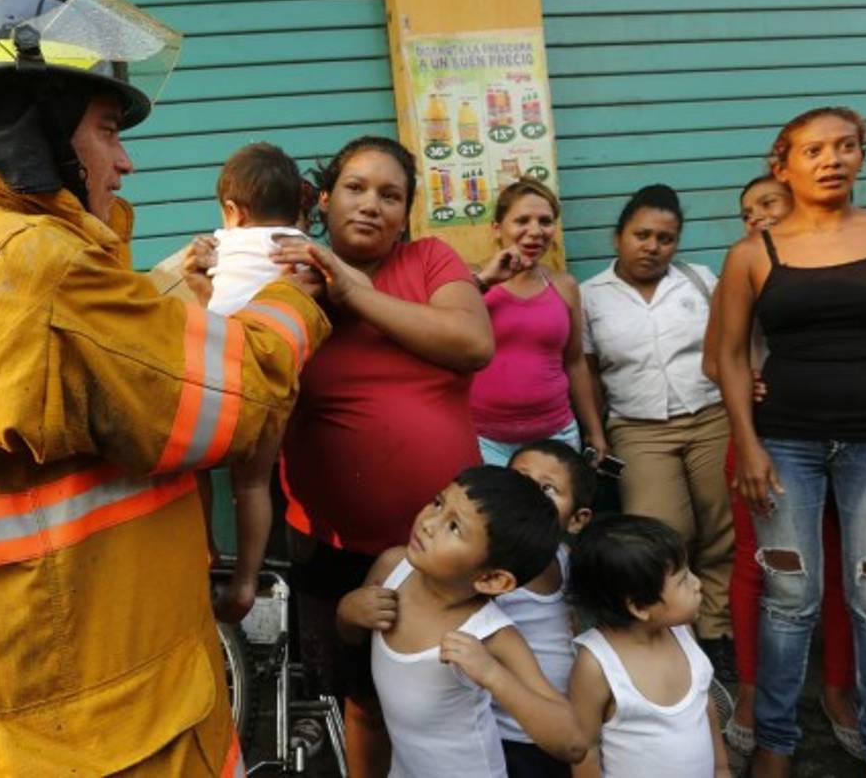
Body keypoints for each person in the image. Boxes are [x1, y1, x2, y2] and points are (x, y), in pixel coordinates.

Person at [0, 0, 329, 775]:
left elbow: (93, 373)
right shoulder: (41, 266)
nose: (124, 161)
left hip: (79, 693)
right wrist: (296, 297)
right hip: (108, 721)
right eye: (108, 130)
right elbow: (237, 406)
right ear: (38, 125)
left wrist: (165, 295)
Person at [716, 107, 866, 777]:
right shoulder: (750, 253)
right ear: (783, 165)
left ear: (861, 156)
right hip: (784, 448)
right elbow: (728, 358)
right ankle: (775, 742)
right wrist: (749, 440)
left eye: (846, 146)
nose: (832, 159)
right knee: (789, 600)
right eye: (815, 149)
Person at [253, 135, 493, 775]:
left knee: (455, 684)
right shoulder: (287, 277)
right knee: (365, 699)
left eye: (391, 195)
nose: (372, 205)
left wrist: (355, 292)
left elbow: (472, 341)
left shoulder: (429, 260)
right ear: (324, 199)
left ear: (407, 214)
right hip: (336, 544)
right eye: (356, 188)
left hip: (448, 541)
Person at [703, 176, 866, 760]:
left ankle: (837, 690)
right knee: (757, 565)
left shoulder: (850, 258)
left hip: (849, 439)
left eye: (767, 204)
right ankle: (749, 692)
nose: (756, 218)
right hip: (765, 439)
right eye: (745, 211)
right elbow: (714, 360)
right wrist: (750, 382)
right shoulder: (743, 270)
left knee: (843, 566)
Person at [337, 465, 588, 776]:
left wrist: (493, 675)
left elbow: (573, 744)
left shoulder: (489, 635)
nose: (429, 523)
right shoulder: (391, 568)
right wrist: (347, 612)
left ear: (493, 579)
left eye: (454, 527)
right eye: (438, 503)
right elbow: (352, 641)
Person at [580, 183, 735, 677]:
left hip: (711, 416)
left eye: (665, 238)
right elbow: (585, 368)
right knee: (660, 533)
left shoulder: (700, 281)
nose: (652, 246)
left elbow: (734, 347)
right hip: (638, 427)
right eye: (641, 234)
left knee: (721, 528)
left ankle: (718, 629)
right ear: (618, 237)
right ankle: (674, 631)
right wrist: (597, 433)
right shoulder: (589, 297)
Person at [200, 141, 315, 623]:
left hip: (218, 375)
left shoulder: (221, 243)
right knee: (252, 486)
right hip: (272, 382)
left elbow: (208, 290)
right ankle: (247, 579)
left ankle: (205, 551)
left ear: (233, 210)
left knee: (197, 469)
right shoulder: (302, 252)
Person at [567, 515, 730, 777]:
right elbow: (585, 750)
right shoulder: (597, 665)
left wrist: (721, 769)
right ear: (640, 606)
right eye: (683, 580)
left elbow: (704, 704)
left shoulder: (682, 632)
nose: (698, 584)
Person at [469, 178, 606, 465]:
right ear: (497, 228)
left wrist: (594, 431)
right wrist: (484, 281)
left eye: (545, 221)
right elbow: (445, 333)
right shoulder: (472, 279)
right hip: (486, 439)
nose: (535, 232)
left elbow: (575, 362)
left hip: (555, 436)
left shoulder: (564, 285)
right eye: (522, 220)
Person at [496, 439, 599, 777]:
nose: (529, 496)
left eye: (548, 489)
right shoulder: (483, 570)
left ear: (577, 520)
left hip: (560, 730)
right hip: (505, 733)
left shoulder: (568, 563)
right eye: (520, 480)